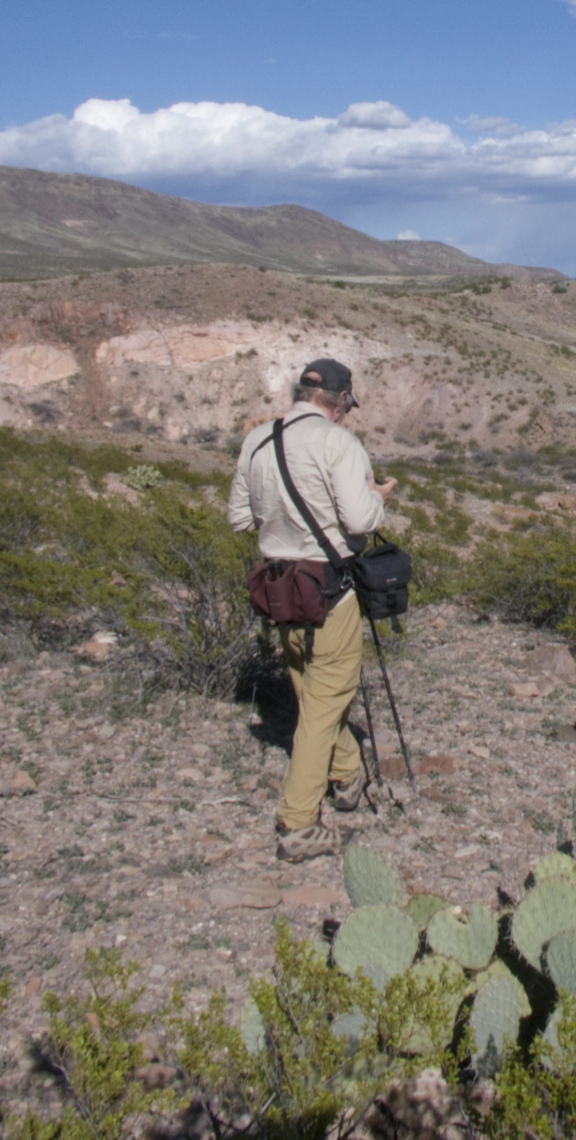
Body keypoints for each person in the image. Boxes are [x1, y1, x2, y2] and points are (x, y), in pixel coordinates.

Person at [227, 358, 395, 862]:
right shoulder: (338, 443)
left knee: (310, 687)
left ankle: (346, 775)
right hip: (328, 587)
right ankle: (298, 825)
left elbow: (240, 518)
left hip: (279, 585)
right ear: (341, 400)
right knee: (326, 699)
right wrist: (377, 496)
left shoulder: (257, 440)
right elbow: (361, 519)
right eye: (348, 405)